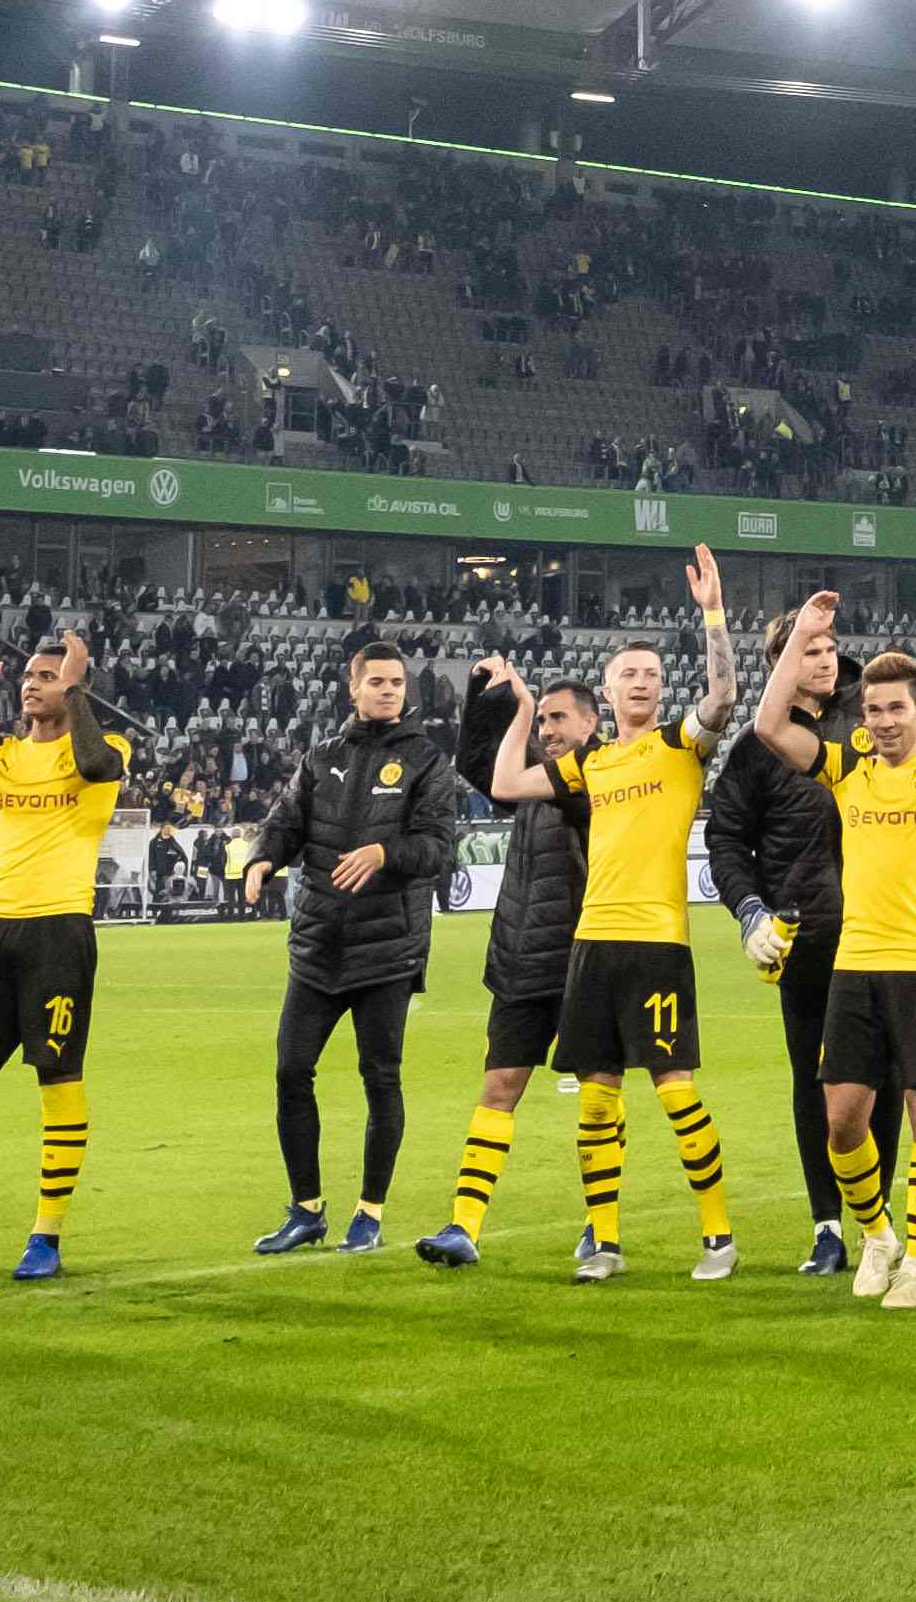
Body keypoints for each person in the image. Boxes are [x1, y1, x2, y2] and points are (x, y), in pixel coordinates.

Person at [484, 543, 744, 1282]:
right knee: (596, 1100)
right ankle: (604, 1242)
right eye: (629, 673)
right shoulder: (590, 763)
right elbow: (506, 784)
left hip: (657, 943)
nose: (641, 681)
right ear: (608, 688)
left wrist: (713, 615)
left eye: (651, 674)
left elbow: (724, 696)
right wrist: (525, 711)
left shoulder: (680, 746)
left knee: (676, 1093)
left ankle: (718, 1235)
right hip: (591, 944)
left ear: (662, 688)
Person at [746, 594, 916, 1308]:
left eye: (897, 708)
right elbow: (767, 725)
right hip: (854, 967)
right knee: (841, 1122)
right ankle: (878, 1235)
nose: (885, 721)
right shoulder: (845, 771)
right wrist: (802, 632)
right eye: (873, 710)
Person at [0, 627, 137, 1280]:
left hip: (58, 930)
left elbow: (95, 767)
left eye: (46, 676)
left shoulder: (106, 747)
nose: (31, 684)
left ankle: (46, 1237)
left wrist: (77, 689)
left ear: (73, 687)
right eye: (29, 676)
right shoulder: (0, 749)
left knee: (56, 1075)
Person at [701, 594, 899, 1274]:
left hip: (882, 927)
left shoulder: (871, 717)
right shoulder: (758, 747)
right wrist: (750, 910)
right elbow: (725, 837)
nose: (823, 658)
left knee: (884, 1078)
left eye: (827, 646)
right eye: (807, 648)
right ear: (780, 660)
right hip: (806, 935)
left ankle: (877, 1222)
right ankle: (827, 1225)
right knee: (814, 1079)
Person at [247, 635, 458, 1255]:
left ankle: (369, 1213)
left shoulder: (426, 760)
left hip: (387, 949)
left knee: (380, 1078)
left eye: (397, 683)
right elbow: (285, 822)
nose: (388, 691)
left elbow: (438, 847)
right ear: (353, 687)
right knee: (291, 1071)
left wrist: (384, 852)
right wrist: (262, 858)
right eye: (377, 682)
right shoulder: (322, 757)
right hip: (318, 945)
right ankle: (306, 1209)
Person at [415, 660, 599, 1268]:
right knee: (498, 1088)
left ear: (591, 723)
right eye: (542, 719)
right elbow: (476, 762)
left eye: (558, 718)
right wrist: (484, 694)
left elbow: (510, 780)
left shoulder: (600, 773)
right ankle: (463, 1226)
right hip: (522, 958)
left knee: (599, 1096)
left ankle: (601, 1225)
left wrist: (519, 709)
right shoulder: (534, 777)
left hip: (583, 960)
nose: (548, 729)